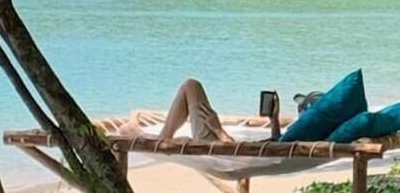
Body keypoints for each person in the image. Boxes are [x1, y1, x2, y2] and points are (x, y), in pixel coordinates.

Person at [112, 79, 318, 141]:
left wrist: (217, 128)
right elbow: (276, 144)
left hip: (222, 149)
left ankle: (160, 138)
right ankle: (160, 136)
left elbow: (240, 153)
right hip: (228, 148)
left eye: (301, 108)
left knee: (190, 86)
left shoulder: (300, 138)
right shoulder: (302, 136)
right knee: (190, 87)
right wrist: (273, 120)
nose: (298, 112)